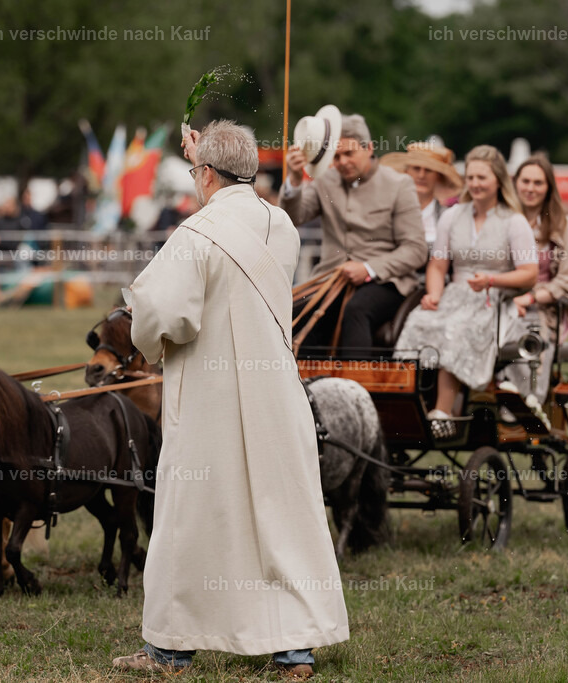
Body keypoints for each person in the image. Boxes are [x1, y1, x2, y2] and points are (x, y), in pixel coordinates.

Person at [112, 120, 348, 678]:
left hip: (211, 400)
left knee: (190, 518)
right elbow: (234, 213)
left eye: (197, 171)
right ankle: (294, 651)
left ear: (207, 174)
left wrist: (148, 340)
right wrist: (209, 160)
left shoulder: (195, 234)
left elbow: (164, 316)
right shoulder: (281, 224)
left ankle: (170, 650)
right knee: (281, 515)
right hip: (277, 396)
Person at [395, 145, 538, 439]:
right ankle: (409, 405)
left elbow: (529, 273)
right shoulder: (452, 216)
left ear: (498, 180)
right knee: (418, 322)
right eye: (470, 177)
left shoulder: (514, 221)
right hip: (455, 294)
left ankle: (443, 413)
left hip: (497, 300)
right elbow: (437, 266)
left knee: (458, 330)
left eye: (481, 177)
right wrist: (434, 294)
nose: (474, 183)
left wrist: (492, 281)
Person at [280, 107, 425, 355]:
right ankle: (304, 387)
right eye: (336, 157)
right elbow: (293, 217)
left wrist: (368, 269)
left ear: (369, 148)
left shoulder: (399, 185)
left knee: (357, 308)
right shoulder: (325, 180)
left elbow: (416, 250)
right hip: (329, 279)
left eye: (349, 153)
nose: (342, 162)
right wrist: (294, 180)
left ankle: (356, 388)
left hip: (386, 282)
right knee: (293, 309)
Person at [502, 156, 568, 404]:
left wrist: (530, 297)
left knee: (527, 340)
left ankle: (528, 404)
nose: (530, 188)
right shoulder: (502, 220)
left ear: (548, 188)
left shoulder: (563, 227)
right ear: (515, 183)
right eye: (526, 181)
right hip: (501, 301)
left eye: (538, 183)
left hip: (541, 307)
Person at [380, 140, 464, 249]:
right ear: (407, 172)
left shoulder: (448, 216)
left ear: (438, 176)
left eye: (428, 170)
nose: (421, 175)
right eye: (416, 168)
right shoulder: (388, 212)